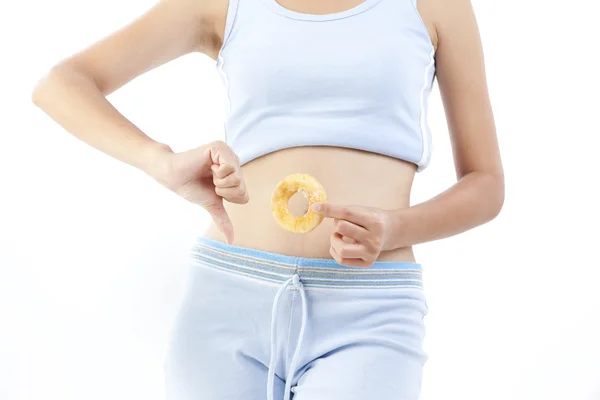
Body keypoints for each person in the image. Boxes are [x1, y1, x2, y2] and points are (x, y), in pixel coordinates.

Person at [32, 0, 504, 398]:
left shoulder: (434, 6)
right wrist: (161, 161)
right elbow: (60, 84)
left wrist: (396, 228)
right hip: (227, 297)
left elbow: (486, 183)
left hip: (369, 311)